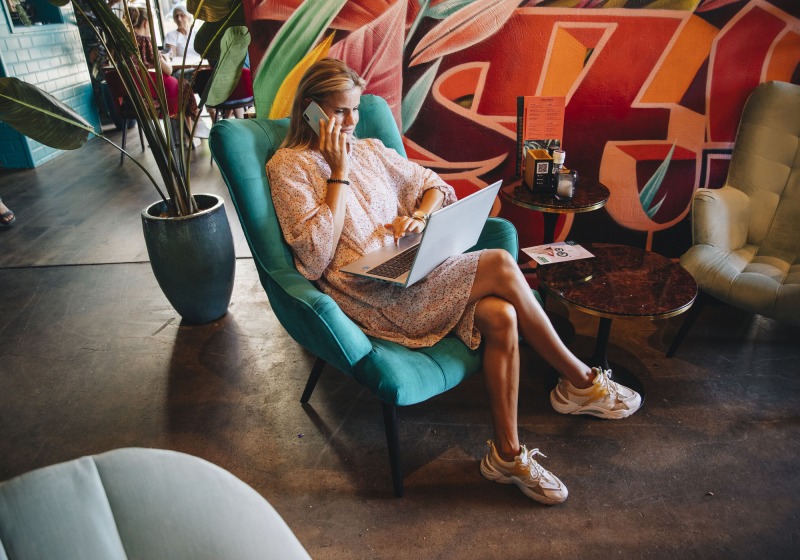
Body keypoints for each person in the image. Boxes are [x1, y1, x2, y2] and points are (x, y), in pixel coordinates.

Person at [266, 59, 642, 505]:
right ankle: (579, 381)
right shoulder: (288, 167)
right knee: (501, 263)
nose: (350, 122)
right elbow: (313, 258)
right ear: (311, 110)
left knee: (501, 316)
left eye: (355, 110)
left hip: (410, 268)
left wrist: (416, 217)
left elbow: (433, 185)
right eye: (339, 111)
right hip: (372, 293)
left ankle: (507, 455)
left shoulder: (369, 149)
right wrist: (338, 172)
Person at [128, 6, 209, 139]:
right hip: (152, 94)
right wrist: (164, 58)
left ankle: (184, 135)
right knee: (183, 86)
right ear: (146, 23)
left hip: (133, 94)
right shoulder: (145, 41)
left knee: (181, 85)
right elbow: (168, 70)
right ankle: (196, 124)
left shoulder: (123, 42)